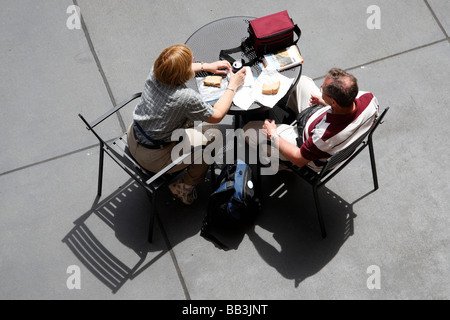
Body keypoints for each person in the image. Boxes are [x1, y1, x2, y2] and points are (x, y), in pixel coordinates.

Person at [127, 44, 246, 205]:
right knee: (213, 135)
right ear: (183, 74)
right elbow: (217, 115)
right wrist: (233, 85)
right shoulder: (185, 98)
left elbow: (176, 67)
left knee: (190, 122)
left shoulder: (155, 72)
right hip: (155, 158)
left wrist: (206, 66)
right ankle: (184, 187)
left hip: (134, 136)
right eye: (191, 62)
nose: (194, 62)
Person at [243, 68, 379, 172]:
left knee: (248, 130)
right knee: (301, 81)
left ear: (334, 102)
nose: (321, 87)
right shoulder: (369, 98)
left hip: (302, 144)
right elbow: (348, 112)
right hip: (321, 117)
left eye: (323, 89)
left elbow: (299, 159)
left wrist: (273, 135)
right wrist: (324, 101)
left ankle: (282, 164)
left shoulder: (324, 137)